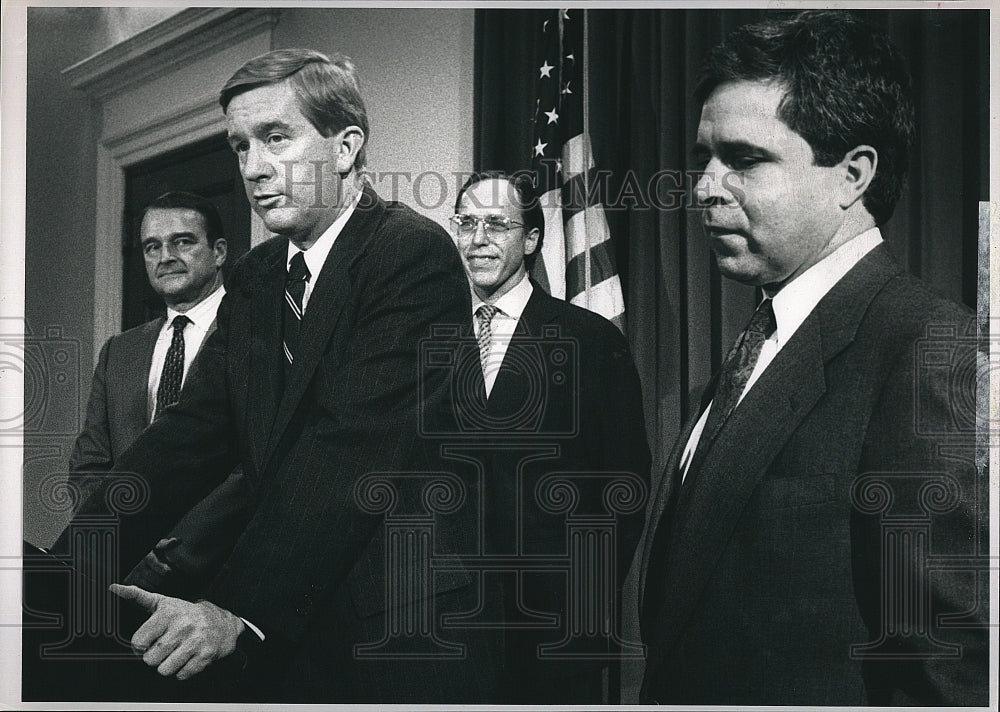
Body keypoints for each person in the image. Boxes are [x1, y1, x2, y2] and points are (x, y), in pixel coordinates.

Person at [53, 48, 493, 703]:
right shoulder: (258, 278)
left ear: (345, 149)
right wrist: (69, 569)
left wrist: (237, 610)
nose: (254, 168)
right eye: (239, 146)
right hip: (289, 627)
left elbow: (347, 452)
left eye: (275, 139)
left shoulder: (410, 254)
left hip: (394, 629)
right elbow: (188, 435)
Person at [638, 11, 986, 706]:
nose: (704, 187)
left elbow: (942, 668)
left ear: (852, 175)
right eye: (704, 157)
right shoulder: (758, 345)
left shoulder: (923, 349)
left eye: (743, 159)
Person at [444, 171, 650, 703]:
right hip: (444, 622)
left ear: (531, 239)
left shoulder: (588, 338)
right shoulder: (427, 337)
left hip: (554, 627)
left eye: (496, 224)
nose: (478, 238)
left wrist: (585, 601)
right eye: (466, 223)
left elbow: (624, 484)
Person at [69, 191, 249, 598]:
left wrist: (172, 557)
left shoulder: (252, 335)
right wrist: (108, 543)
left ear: (219, 251)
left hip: (219, 575)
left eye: (183, 241)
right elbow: (90, 462)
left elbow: (250, 465)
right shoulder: (120, 350)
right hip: (120, 572)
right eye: (152, 246)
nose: (165, 255)